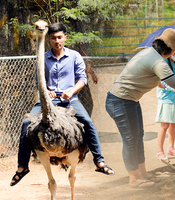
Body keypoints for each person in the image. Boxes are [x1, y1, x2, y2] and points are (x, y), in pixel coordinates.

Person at [105, 28, 175, 188]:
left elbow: (147, 77)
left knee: (138, 136)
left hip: (130, 100)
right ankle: (134, 178)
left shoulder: (150, 54)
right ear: (171, 49)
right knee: (131, 140)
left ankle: (142, 173)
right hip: (120, 101)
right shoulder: (158, 62)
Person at [10, 22, 114, 187]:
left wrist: (71, 91)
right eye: (53, 38)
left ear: (65, 38)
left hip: (70, 100)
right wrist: (47, 92)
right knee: (26, 124)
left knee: (87, 122)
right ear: (50, 40)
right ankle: (22, 166)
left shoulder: (74, 56)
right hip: (47, 100)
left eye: (59, 37)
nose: (57, 41)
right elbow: (39, 81)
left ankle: (99, 161)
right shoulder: (43, 58)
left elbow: (82, 79)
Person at [156, 51, 175, 162]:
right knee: (165, 125)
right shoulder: (163, 63)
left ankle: (170, 147)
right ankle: (159, 151)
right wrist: (173, 89)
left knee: (174, 123)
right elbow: (162, 82)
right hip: (166, 98)